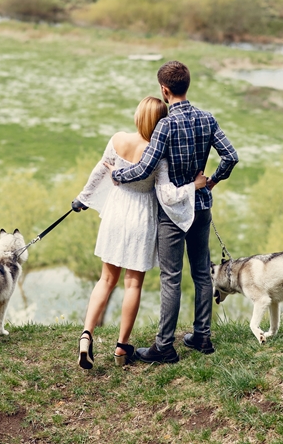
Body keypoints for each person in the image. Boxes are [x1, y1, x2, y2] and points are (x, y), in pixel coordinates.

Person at [111, 61, 239, 364]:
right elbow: (231, 156)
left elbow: (145, 167)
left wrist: (118, 175)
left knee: (171, 277)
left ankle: (165, 346)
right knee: (201, 272)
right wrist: (210, 183)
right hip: (201, 207)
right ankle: (202, 337)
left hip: (172, 213)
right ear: (187, 86)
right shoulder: (207, 119)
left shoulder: (166, 125)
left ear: (164, 90)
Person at [71, 96, 207, 369]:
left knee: (106, 280)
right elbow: (168, 196)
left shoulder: (118, 139)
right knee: (133, 283)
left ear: (137, 116)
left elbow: (100, 170)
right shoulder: (158, 154)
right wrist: (196, 185)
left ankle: (87, 335)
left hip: (115, 213)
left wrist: (82, 198)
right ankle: (122, 348)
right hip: (142, 217)